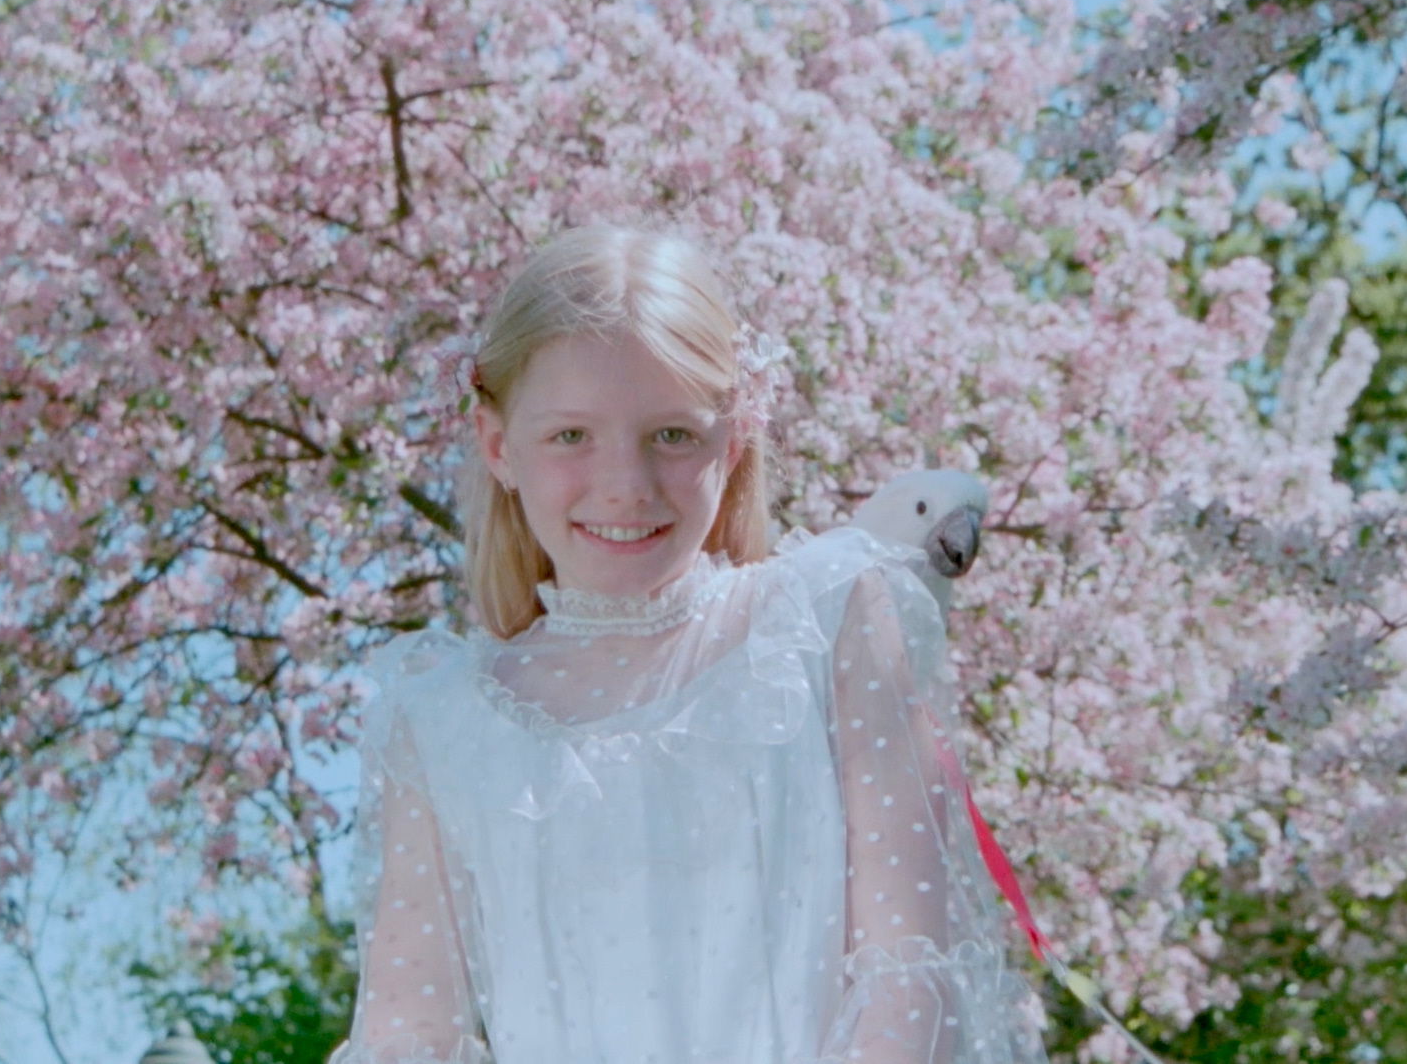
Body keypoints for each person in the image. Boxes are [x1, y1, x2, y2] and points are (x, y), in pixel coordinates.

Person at [328, 224, 1050, 1064]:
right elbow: (408, 1035)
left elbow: (911, 971)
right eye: (571, 435)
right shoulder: (442, 722)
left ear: (733, 436)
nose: (626, 485)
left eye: (671, 434)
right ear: (499, 446)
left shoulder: (824, 625)